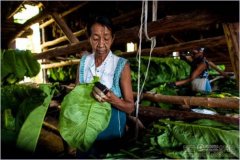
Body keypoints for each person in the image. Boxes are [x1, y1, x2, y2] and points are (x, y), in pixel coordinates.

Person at [76, 16, 134, 158]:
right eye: (95, 38)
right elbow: (76, 97)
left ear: (113, 39)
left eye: (106, 38)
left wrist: (112, 99)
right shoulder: (83, 63)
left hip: (111, 138)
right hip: (85, 137)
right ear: (89, 38)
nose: (101, 43)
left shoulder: (121, 65)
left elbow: (130, 107)